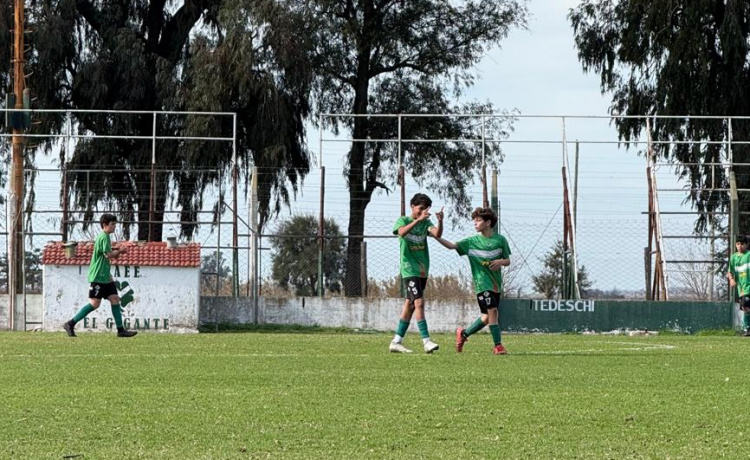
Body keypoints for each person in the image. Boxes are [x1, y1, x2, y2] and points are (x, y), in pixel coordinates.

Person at [434, 207, 511, 355]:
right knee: (493, 311)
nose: (475, 223)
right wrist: (436, 235)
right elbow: (452, 246)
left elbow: (508, 261)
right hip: (482, 284)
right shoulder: (471, 242)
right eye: (474, 221)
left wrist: (500, 262)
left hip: (496, 284)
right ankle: (498, 346)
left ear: (488, 223)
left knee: (487, 317)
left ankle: (464, 334)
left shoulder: (500, 240)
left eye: (478, 220)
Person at [63, 214, 137, 338]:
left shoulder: (106, 237)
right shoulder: (103, 237)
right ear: (105, 225)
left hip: (105, 276)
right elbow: (108, 255)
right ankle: (70, 324)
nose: (114, 226)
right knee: (95, 303)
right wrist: (120, 251)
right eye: (112, 224)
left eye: (115, 224)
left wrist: (116, 254)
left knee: (114, 299)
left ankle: (121, 330)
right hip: (98, 276)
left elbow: (108, 254)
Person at [388, 193, 443, 353]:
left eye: (426, 209)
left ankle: (396, 341)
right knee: (419, 302)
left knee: (410, 304)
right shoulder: (403, 220)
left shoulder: (426, 223)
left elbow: (437, 234)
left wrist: (440, 221)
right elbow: (401, 232)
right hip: (409, 269)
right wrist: (418, 220)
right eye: (421, 208)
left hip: (422, 269)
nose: (423, 212)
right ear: (412, 206)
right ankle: (426, 341)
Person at [728, 235, 750, 337]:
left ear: (746, 245)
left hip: (748, 287)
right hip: (741, 288)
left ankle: (748, 329)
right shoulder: (733, 257)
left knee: (745, 305)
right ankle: (748, 329)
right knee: (746, 308)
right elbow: (730, 271)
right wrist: (731, 279)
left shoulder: (749, 255)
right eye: (738, 244)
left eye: (742, 244)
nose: (740, 246)